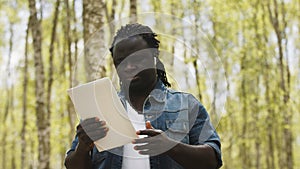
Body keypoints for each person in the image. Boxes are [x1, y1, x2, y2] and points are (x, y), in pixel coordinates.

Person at [64, 23, 222, 169]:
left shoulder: (186, 105)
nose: (129, 67)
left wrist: (171, 147)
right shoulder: (100, 109)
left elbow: (213, 159)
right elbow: (72, 164)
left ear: (154, 57)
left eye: (137, 59)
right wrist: (83, 148)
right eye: (121, 61)